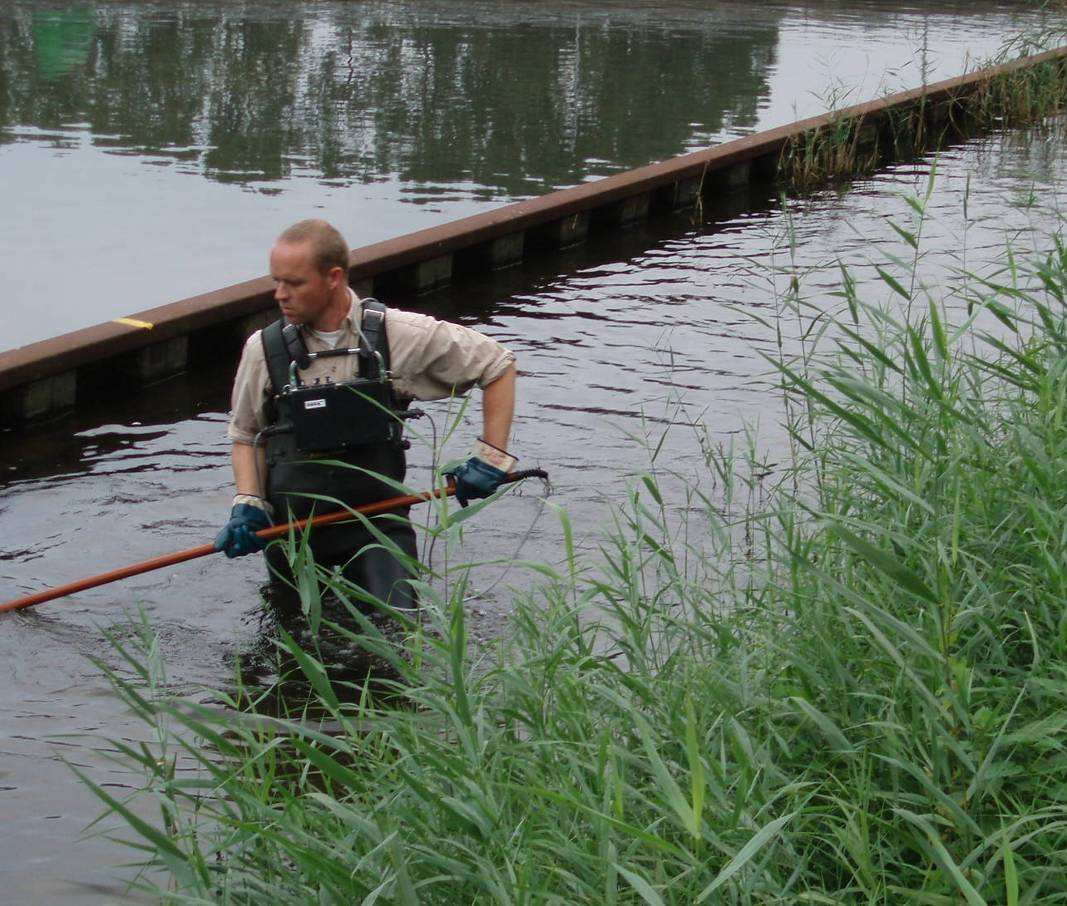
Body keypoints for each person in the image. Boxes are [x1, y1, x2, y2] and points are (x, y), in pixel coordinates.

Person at [214, 219, 517, 616]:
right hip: (293, 533)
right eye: (277, 281)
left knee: (400, 633)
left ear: (333, 277)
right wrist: (249, 504)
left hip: (378, 525)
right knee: (296, 650)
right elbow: (246, 435)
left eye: (295, 283)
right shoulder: (263, 350)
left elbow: (498, 364)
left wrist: (490, 456)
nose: (280, 295)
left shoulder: (397, 335)